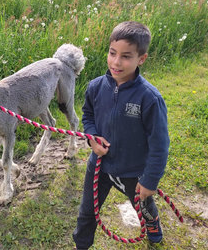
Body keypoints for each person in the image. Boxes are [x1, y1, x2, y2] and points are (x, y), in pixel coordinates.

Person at [73, 21, 170, 249]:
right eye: (112, 53)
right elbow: (88, 116)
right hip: (99, 166)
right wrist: (92, 136)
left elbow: (160, 145)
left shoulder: (149, 99)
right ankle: (81, 245)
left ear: (141, 59)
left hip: (133, 172)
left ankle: (153, 226)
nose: (116, 62)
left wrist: (149, 180)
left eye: (126, 56)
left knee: (144, 207)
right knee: (87, 212)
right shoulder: (95, 87)